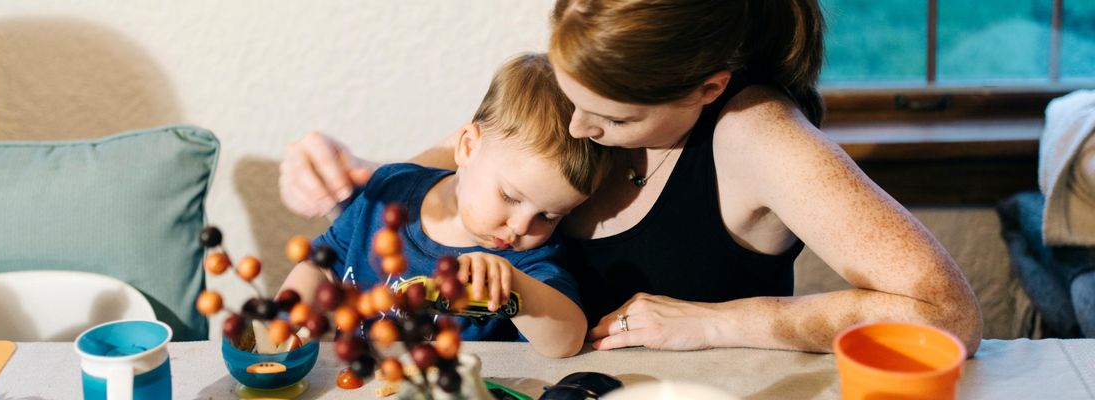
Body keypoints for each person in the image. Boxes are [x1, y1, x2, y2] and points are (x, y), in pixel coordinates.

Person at [279, 0, 983, 355]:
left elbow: (949, 314)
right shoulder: (594, 82)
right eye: (567, 92)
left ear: (705, 89)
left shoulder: (756, 136)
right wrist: (341, 168)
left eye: (608, 119)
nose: (578, 128)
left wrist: (725, 324)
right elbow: (452, 169)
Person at [279, 53, 608, 358]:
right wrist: (287, 317)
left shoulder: (526, 260)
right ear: (467, 147)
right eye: (510, 197)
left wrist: (516, 291)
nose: (522, 226)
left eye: (549, 216)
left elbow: (567, 339)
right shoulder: (390, 191)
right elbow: (321, 266)